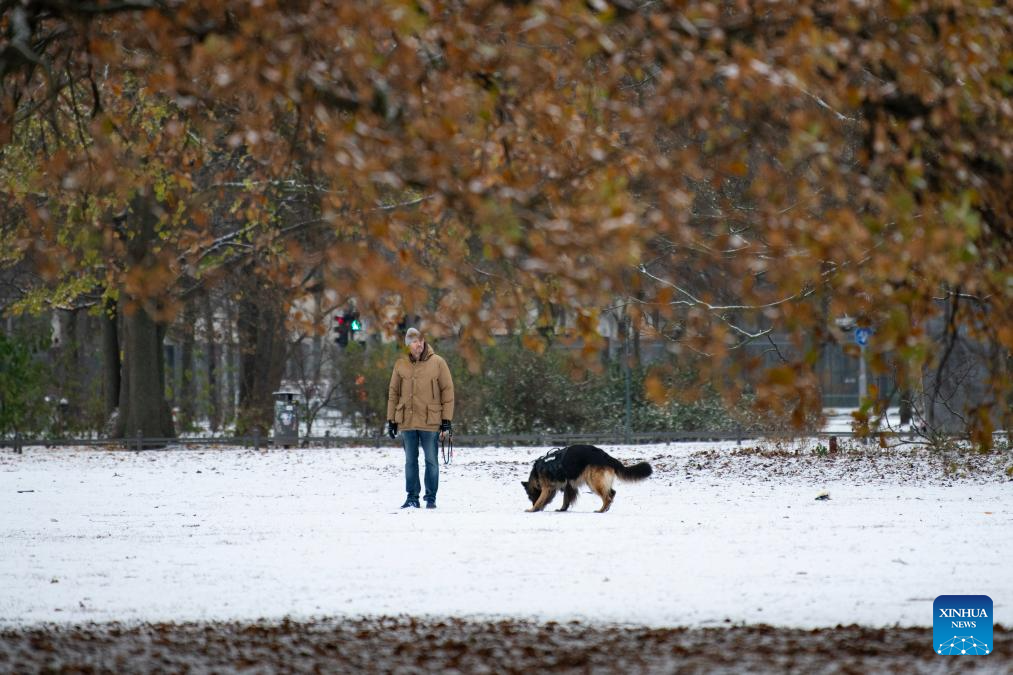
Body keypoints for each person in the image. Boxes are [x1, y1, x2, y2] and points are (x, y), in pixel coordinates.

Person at [386, 327, 455, 509]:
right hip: (407, 421)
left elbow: (447, 392)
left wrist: (446, 420)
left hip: (430, 421)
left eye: (421, 341)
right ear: (408, 344)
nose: (420, 344)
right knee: (410, 461)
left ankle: (430, 498)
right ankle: (412, 497)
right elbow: (393, 392)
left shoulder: (438, 362)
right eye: (416, 341)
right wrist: (391, 420)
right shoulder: (400, 363)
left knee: (431, 460)